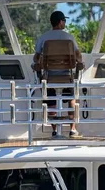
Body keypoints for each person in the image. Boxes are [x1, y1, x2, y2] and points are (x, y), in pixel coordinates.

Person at [34, 10, 83, 138]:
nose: (64, 23)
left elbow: (36, 57)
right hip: (67, 77)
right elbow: (78, 56)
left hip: (49, 77)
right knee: (72, 99)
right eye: (64, 21)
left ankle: (55, 130)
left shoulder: (43, 37)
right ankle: (72, 129)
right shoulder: (69, 37)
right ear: (60, 22)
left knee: (50, 101)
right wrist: (78, 61)